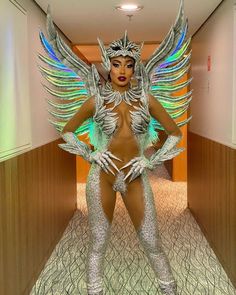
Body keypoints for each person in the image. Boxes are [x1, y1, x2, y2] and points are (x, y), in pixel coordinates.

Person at [39, 1, 191, 294]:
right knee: (98, 241)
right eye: (117, 63)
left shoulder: (147, 100)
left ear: (136, 67)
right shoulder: (96, 100)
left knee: (151, 240)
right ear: (109, 65)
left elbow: (174, 133)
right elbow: (67, 130)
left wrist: (150, 161)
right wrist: (90, 152)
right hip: (102, 178)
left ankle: (169, 288)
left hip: (136, 177)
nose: (122, 69)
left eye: (129, 64)